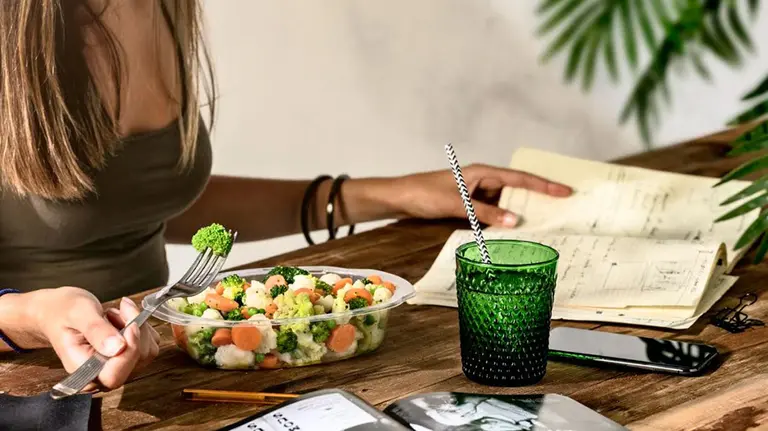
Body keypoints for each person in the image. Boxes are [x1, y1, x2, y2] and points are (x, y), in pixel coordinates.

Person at [0, 0, 572, 392]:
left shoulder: (165, 8)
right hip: (33, 385)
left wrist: (388, 195)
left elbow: (133, 203)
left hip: (179, 367)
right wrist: (29, 315)